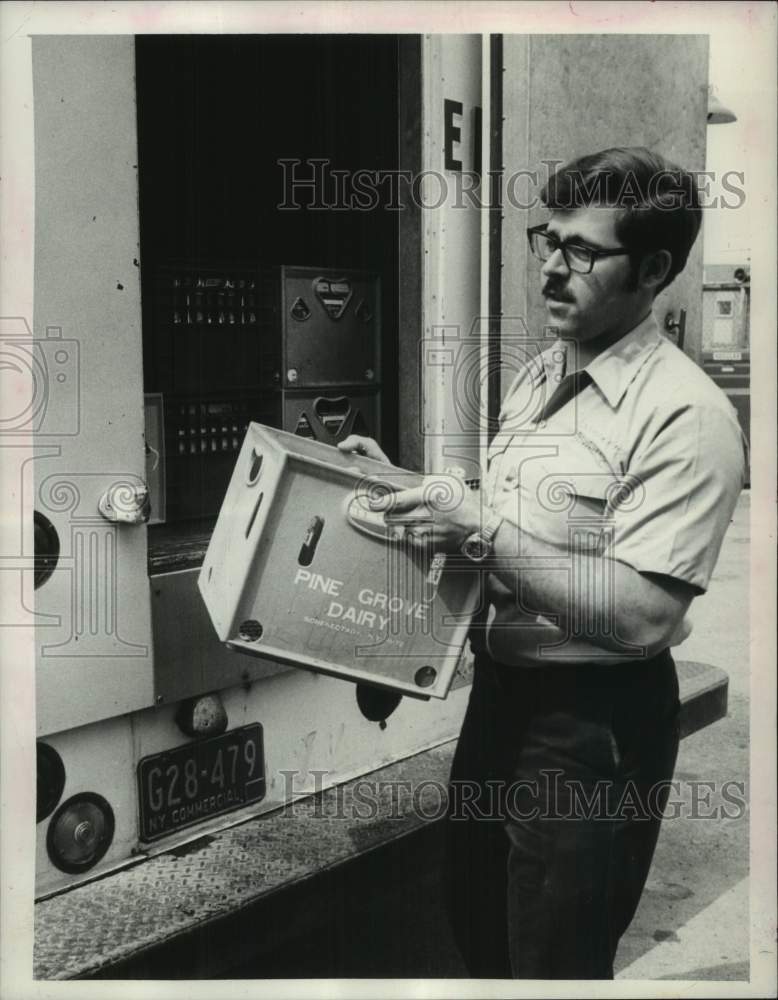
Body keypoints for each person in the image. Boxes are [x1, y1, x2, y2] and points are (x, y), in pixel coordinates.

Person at [338, 147, 745, 979]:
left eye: (583, 251)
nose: (552, 269)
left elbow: (645, 616)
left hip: (591, 726)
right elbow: (514, 525)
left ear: (654, 269)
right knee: (478, 927)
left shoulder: (686, 416)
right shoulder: (539, 375)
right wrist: (408, 489)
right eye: (548, 241)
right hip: (502, 702)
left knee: (553, 962)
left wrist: (478, 529)